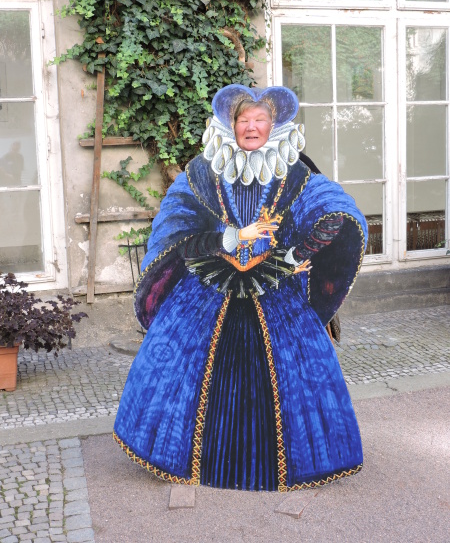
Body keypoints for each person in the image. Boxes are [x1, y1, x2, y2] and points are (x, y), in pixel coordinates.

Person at [114, 84, 367, 492]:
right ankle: (182, 457)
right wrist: (232, 237)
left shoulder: (296, 172)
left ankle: (292, 463)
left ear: (274, 124)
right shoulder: (200, 172)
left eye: (260, 119)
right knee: (181, 373)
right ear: (230, 126)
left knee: (296, 378)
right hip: (204, 293)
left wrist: (299, 252)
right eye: (244, 120)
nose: (251, 127)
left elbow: (327, 205)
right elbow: (177, 229)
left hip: (277, 293)